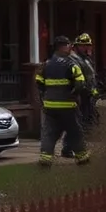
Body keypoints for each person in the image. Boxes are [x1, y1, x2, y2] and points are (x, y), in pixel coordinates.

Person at [36, 35, 91, 167]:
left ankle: (45, 158)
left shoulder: (46, 64)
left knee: (49, 132)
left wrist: (46, 94)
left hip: (50, 106)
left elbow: (38, 81)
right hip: (68, 106)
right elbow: (80, 83)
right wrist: (74, 94)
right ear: (64, 47)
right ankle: (82, 157)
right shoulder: (71, 64)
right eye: (68, 45)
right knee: (75, 131)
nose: (70, 48)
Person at [62, 32, 100, 158]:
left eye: (88, 45)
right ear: (76, 46)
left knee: (84, 123)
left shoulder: (85, 59)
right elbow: (76, 80)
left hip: (86, 97)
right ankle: (69, 149)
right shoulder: (73, 60)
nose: (87, 48)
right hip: (77, 97)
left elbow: (90, 77)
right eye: (84, 46)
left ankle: (72, 148)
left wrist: (93, 91)